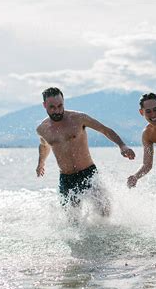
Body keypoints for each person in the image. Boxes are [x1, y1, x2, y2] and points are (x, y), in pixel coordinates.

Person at [36, 87, 135, 215]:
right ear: (44, 105)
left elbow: (104, 130)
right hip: (66, 179)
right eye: (52, 107)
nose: (57, 111)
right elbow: (44, 145)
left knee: (105, 213)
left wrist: (122, 145)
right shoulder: (42, 129)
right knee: (73, 222)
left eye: (60, 106)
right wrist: (41, 163)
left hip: (88, 174)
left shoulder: (78, 118)